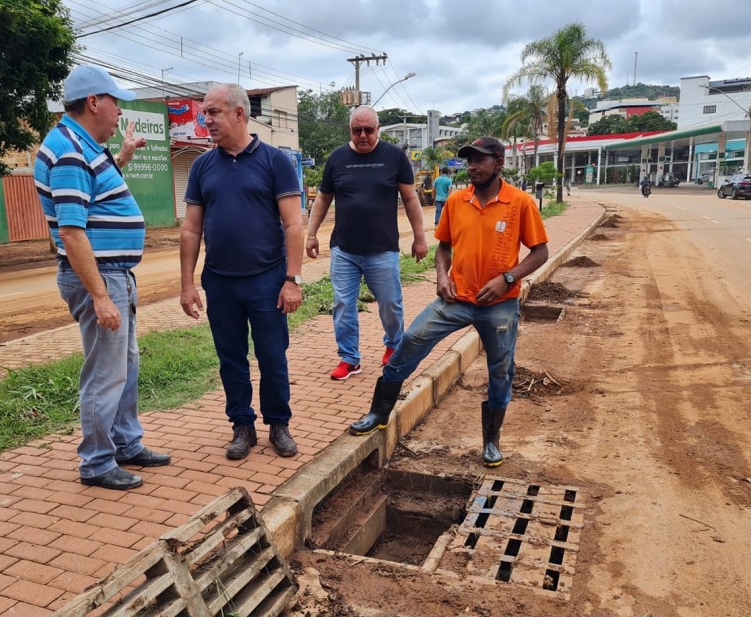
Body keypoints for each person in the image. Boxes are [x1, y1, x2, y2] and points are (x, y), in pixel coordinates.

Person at [349, 136, 550, 468]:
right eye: (469, 160)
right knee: (412, 339)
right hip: (456, 298)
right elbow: (443, 247)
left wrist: (508, 279)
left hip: (500, 304)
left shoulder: (520, 203)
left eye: (480, 160)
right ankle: (378, 412)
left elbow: (540, 252)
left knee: (500, 369)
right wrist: (442, 276)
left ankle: (491, 442)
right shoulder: (457, 202)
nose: (471, 166)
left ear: (498, 164)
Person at [34, 64, 171, 491]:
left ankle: (126, 443)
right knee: (106, 372)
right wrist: (99, 295)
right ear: (93, 102)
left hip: (115, 275)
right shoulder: (71, 152)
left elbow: (97, 197)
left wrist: (124, 156)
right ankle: (96, 462)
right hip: (103, 278)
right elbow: (73, 232)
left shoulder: (83, 145)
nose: (118, 113)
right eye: (115, 104)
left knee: (125, 365)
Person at [180, 83, 304, 461]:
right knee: (230, 357)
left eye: (213, 112)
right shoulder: (202, 166)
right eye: (204, 113)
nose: (206, 120)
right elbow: (190, 229)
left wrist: (292, 279)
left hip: (267, 279)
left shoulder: (274, 161)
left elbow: (293, 225)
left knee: (272, 355)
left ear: (238, 113)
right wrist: (187, 283)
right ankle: (242, 426)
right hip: (219, 280)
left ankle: (278, 424)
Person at [306, 105, 427, 381]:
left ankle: (393, 344)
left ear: (378, 128)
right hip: (344, 249)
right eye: (357, 130)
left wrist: (420, 237)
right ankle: (349, 359)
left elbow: (410, 199)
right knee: (343, 305)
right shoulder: (337, 158)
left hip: (382, 250)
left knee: (390, 304)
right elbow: (323, 198)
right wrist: (311, 234)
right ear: (350, 129)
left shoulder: (394, 157)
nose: (363, 135)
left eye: (368, 130)